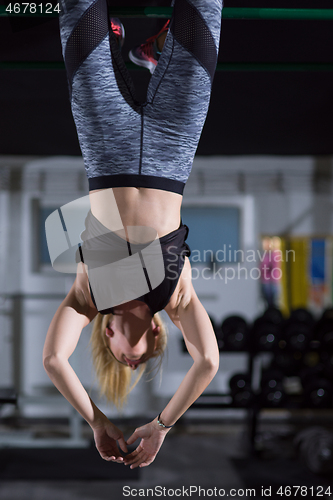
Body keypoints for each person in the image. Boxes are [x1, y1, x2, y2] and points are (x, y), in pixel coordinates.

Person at [43, 0, 223, 469]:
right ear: (157, 335)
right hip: (172, 149)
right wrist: (161, 426)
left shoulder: (88, 298)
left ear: (107, 335)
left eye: (124, 361)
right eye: (140, 362)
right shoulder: (177, 299)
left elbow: (54, 362)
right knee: (205, 10)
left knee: (77, 10)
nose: (132, 362)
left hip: (105, 149)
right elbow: (207, 363)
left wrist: (97, 420)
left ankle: (118, 40)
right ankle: (154, 52)